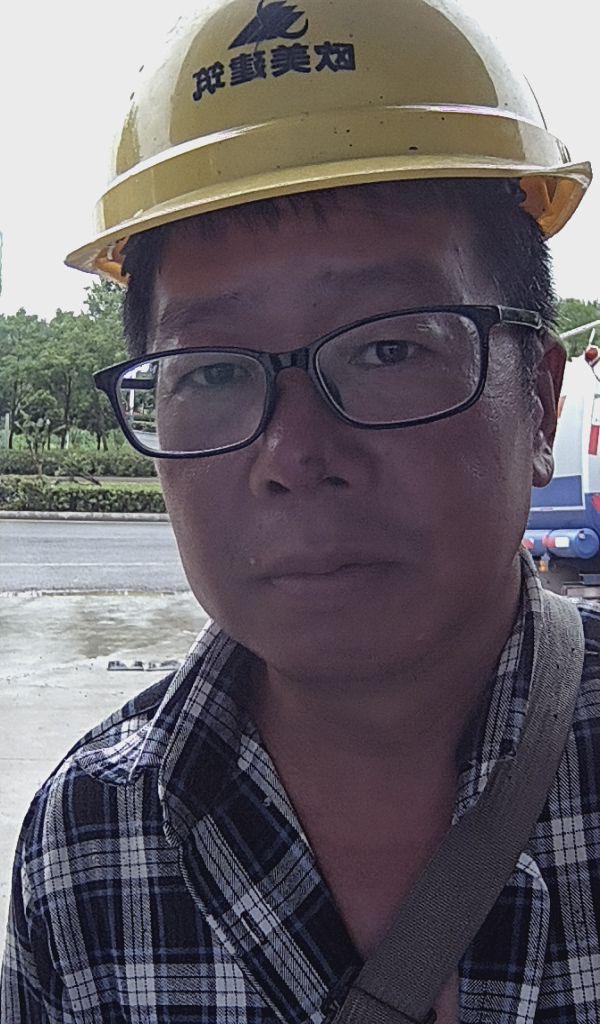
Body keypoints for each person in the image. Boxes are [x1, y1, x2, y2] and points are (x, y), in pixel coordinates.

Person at [1, 0, 597, 1021]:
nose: (294, 455)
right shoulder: (89, 840)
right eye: (212, 370)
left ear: (539, 401)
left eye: (389, 348)